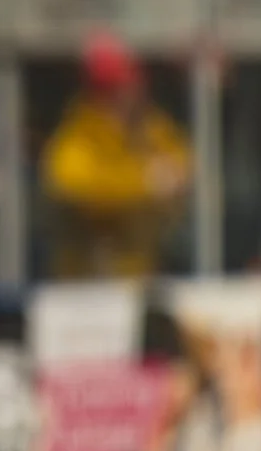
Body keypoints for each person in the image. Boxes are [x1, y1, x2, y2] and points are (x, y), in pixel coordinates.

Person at [40, 31, 188, 278]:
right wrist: (145, 183)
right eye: (113, 90)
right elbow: (73, 185)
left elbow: (179, 163)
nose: (128, 95)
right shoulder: (79, 132)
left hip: (141, 274)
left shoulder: (148, 127)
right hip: (84, 281)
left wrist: (171, 177)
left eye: (129, 85)